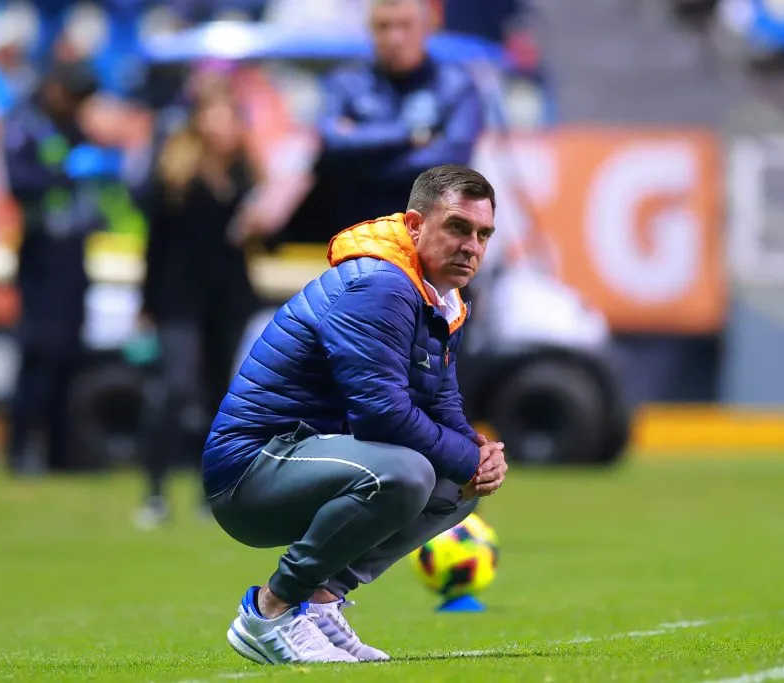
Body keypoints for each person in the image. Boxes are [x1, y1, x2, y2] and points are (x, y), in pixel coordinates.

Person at [202, 164, 509, 664]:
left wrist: (478, 456)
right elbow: (381, 414)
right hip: (249, 472)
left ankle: (321, 603)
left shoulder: (438, 293)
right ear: (415, 226)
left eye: (483, 234)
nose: (471, 246)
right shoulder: (380, 285)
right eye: (458, 227)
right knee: (408, 472)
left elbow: (441, 402)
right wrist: (465, 456)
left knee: (458, 486)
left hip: (313, 459)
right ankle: (271, 610)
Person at [133, 81, 272, 527]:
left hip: (227, 297)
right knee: (176, 387)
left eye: (229, 117)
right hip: (178, 295)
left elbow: (263, 239)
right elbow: (156, 239)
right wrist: (146, 300)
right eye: (215, 116)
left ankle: (206, 491)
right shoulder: (176, 170)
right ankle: (154, 490)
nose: (222, 126)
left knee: (218, 396)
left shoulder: (246, 172)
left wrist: (262, 226)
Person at [2, 60, 121, 474]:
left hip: (73, 251)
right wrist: (62, 174)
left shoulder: (73, 127)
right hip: (42, 252)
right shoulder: (26, 124)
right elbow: (19, 182)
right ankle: (20, 449)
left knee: (69, 353)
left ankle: (59, 453)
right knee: (40, 351)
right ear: (56, 90)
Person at [314, 0, 485, 232]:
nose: (395, 38)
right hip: (357, 232)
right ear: (370, 29)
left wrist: (362, 159)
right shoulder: (345, 83)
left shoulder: (456, 86)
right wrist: (410, 135)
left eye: (405, 25)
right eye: (384, 26)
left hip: (429, 235)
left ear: (427, 27)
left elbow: (451, 161)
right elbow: (333, 143)